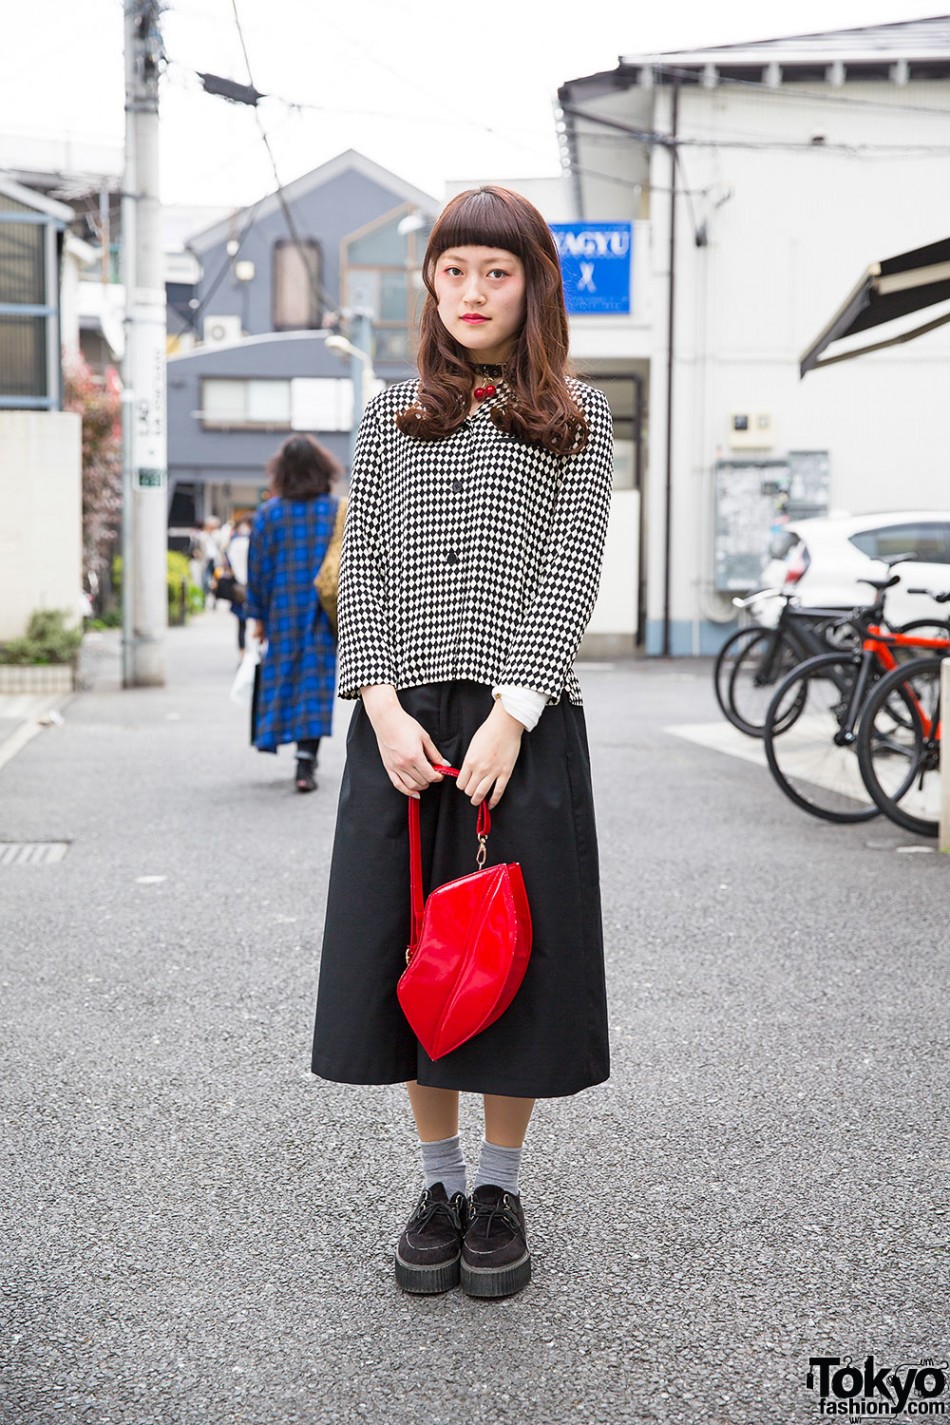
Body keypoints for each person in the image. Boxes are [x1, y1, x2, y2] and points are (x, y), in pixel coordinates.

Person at [311, 186, 614, 1298]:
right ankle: (433, 1179)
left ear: (531, 282)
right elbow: (368, 569)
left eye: (496, 272)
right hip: (401, 728)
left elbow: (567, 569)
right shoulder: (389, 412)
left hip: (519, 724)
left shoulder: (577, 413)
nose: (472, 293)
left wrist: (512, 709)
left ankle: (498, 1183)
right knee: (415, 960)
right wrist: (381, 708)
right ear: (428, 286)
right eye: (452, 272)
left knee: (508, 963)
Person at [245, 436, 342, 793]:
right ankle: (306, 758)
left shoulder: (269, 514)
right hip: (321, 612)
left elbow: (258, 570)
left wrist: (256, 618)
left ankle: (287, 742)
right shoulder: (335, 510)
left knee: (284, 676)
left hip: (282, 610)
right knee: (315, 682)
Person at [223, 518, 252, 653]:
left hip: (238, 587)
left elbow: (227, 565)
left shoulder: (233, 543)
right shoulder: (253, 541)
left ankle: (242, 652)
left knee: (241, 623)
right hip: (251, 587)